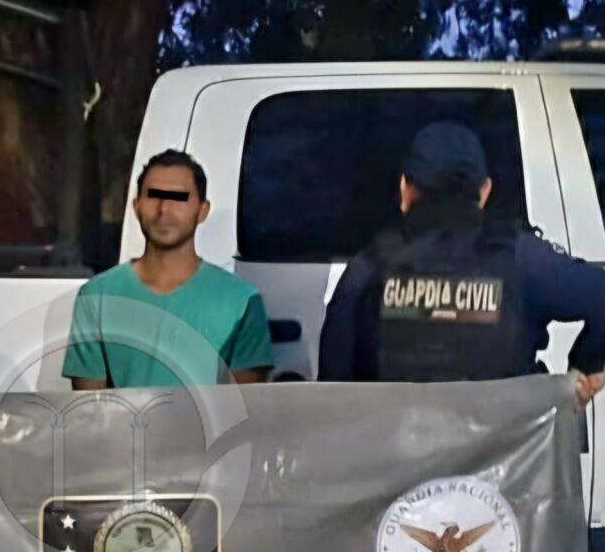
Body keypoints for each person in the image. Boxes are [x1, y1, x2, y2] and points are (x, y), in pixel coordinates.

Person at [318, 121, 605, 406]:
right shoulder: (521, 257)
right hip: (503, 436)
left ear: (405, 189)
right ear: (485, 191)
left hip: (393, 436)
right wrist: (583, 368)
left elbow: (332, 390)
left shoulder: (368, 268)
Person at [62, 149, 273, 389]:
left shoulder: (242, 301)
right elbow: (90, 405)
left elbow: (243, 404)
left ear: (202, 210)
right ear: (136, 207)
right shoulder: (97, 296)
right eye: (154, 196)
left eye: (179, 198)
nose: (164, 209)